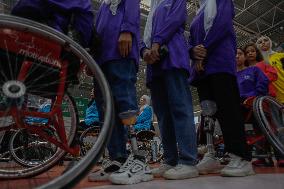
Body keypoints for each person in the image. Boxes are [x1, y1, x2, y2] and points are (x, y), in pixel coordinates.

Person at [88, 0, 153, 185]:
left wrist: (127, 30)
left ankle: (139, 159)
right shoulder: (103, 6)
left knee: (124, 100)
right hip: (102, 58)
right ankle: (118, 158)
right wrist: (92, 56)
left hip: (120, 52)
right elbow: (97, 30)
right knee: (106, 110)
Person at [188, 0, 255, 176]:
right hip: (202, 68)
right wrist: (193, 51)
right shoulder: (199, 11)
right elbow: (191, 38)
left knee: (228, 109)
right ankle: (211, 154)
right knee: (208, 113)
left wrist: (204, 49)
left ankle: (241, 156)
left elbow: (223, 24)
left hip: (219, 62)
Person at [141, 0, 199, 180]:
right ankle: (170, 158)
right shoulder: (153, 8)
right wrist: (144, 51)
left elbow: (175, 19)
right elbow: (144, 36)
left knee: (180, 109)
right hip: (154, 64)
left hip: (172, 56)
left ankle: (188, 160)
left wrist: (156, 43)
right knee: (163, 115)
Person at [256, 36, 284, 167]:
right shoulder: (260, 63)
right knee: (279, 128)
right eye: (259, 42)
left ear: (271, 42)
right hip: (273, 99)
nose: (263, 43)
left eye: (265, 40)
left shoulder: (280, 56)